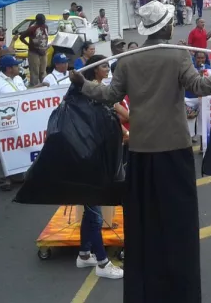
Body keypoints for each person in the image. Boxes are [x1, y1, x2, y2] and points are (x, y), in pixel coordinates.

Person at [68, 0, 211, 303]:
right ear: (165, 26)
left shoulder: (127, 59)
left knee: (143, 225)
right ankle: (180, 291)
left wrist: (82, 84)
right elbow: (200, 87)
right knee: (179, 226)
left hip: (139, 151)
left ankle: (144, 291)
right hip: (174, 151)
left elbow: (110, 95)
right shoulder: (177, 56)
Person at [76, 55, 124, 279]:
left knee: (90, 210)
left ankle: (85, 254)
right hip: (89, 157)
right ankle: (103, 264)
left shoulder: (99, 90)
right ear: (95, 71)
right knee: (95, 213)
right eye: (105, 66)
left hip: (93, 155)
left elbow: (120, 113)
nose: (108, 69)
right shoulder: (92, 93)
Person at [0, 55, 47, 190]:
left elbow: (24, 95)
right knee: (4, 148)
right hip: (4, 121)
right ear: (9, 68)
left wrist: (38, 87)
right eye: (16, 65)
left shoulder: (18, 79)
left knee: (18, 146)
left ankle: (17, 174)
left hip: (21, 119)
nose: (19, 67)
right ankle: (4, 178)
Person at [19, 13, 49, 86]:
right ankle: (34, 87)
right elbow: (21, 37)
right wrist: (29, 44)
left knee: (43, 71)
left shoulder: (45, 27)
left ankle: (44, 86)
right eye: (42, 20)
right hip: (34, 53)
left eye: (44, 20)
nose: (44, 21)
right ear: (38, 20)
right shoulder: (32, 28)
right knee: (34, 72)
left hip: (43, 52)